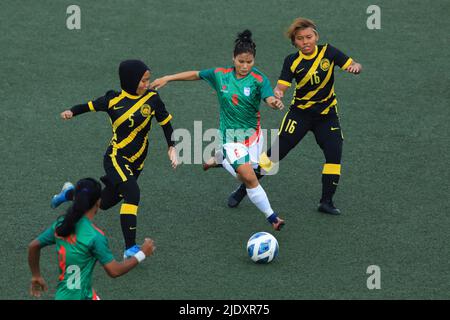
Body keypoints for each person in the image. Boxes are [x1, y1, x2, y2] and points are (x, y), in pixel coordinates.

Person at [150, 30, 285, 231]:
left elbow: (268, 98)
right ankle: (272, 218)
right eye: (241, 61)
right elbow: (195, 74)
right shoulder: (220, 75)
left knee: (247, 175)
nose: (245, 66)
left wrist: (274, 102)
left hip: (253, 137)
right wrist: (168, 78)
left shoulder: (259, 80)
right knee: (249, 177)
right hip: (229, 137)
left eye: (249, 62)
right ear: (233, 58)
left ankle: (220, 159)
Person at [227, 18, 362, 215]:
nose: (306, 41)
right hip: (300, 116)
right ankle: (242, 190)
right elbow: (281, 86)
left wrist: (355, 67)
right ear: (294, 42)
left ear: (316, 36)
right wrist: (278, 93)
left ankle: (326, 202)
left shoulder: (329, 52)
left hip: (327, 116)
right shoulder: (292, 61)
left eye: (309, 37)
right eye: (300, 39)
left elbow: (353, 63)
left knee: (334, 155)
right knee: (274, 155)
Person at [52, 60, 177, 259]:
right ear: (130, 80)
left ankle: (70, 193)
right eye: (143, 81)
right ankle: (130, 248)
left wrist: (172, 146)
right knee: (132, 192)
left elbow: (166, 124)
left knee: (102, 203)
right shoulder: (112, 100)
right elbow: (88, 106)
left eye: (148, 80)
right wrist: (72, 112)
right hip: (116, 157)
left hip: (137, 163)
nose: (147, 84)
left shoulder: (153, 99)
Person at [28, 178, 155, 300]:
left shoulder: (61, 224)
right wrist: (142, 253)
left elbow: (33, 246)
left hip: (74, 295)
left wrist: (36, 275)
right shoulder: (95, 236)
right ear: (98, 202)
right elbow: (114, 271)